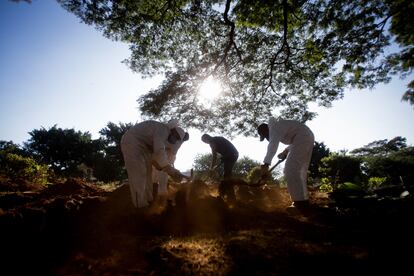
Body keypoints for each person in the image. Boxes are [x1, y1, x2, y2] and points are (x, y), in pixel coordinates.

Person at [121, 119, 187, 208]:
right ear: (172, 130)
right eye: (175, 136)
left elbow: (155, 158)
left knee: (148, 174)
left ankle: (148, 201)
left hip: (144, 147)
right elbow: (159, 152)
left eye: (177, 139)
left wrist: (165, 168)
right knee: (139, 174)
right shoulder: (162, 130)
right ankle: (139, 206)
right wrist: (172, 171)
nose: (175, 139)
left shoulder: (162, 137)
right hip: (132, 143)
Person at [257, 117, 314, 213]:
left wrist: (266, 165)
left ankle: (299, 204)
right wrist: (285, 152)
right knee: (300, 170)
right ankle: (303, 201)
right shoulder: (279, 127)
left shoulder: (274, 128)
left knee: (290, 169)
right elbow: (296, 138)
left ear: (266, 131)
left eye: (266, 137)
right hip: (306, 137)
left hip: (303, 137)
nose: (267, 139)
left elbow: (272, 145)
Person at [152, 130, 189, 201]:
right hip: (162, 158)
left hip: (165, 159)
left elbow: (172, 152)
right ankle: (158, 196)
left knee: (160, 176)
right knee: (158, 176)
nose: (183, 140)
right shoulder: (174, 139)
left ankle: (159, 196)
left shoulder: (178, 141)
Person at [201, 134, 239, 201]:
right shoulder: (213, 142)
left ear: (207, 138)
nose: (206, 143)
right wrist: (212, 168)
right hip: (232, 154)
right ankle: (227, 194)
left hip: (232, 155)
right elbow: (215, 156)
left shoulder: (216, 141)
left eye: (205, 141)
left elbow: (216, 155)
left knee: (227, 175)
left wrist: (212, 168)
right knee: (226, 174)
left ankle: (231, 196)